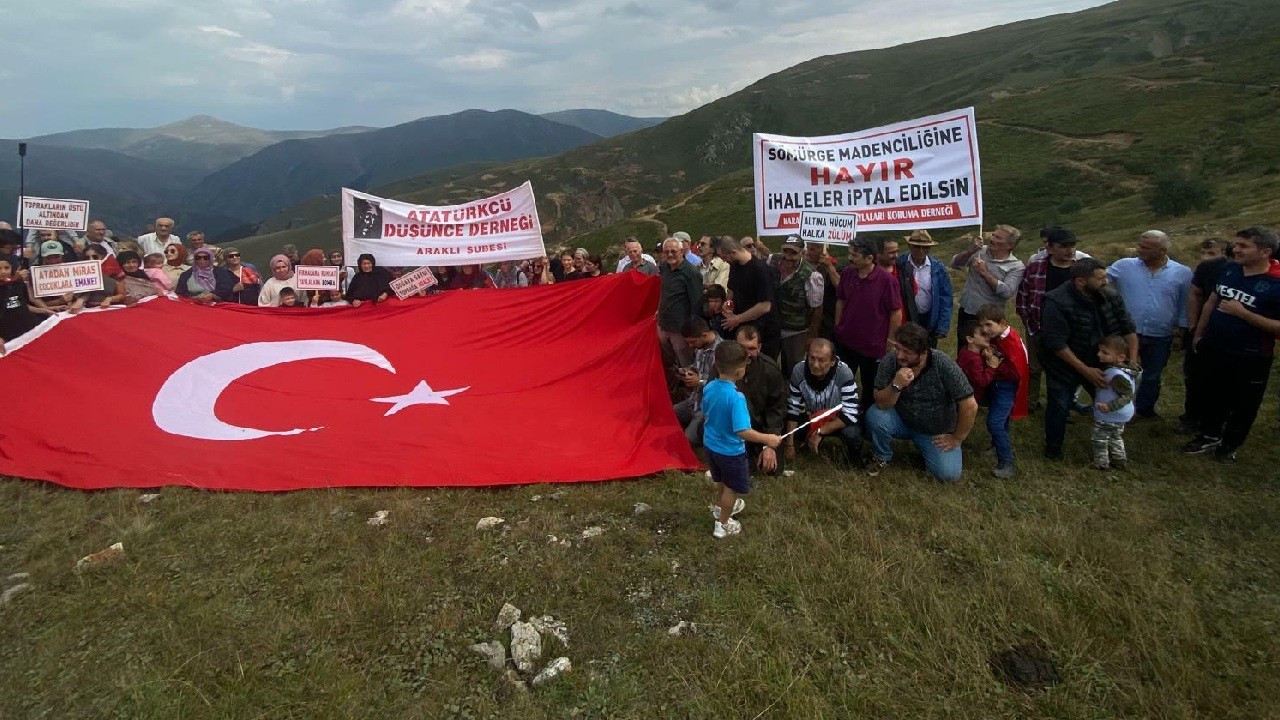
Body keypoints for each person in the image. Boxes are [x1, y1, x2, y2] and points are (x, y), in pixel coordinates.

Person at [1184, 227, 1280, 462]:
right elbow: (1212, 300)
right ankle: (1209, 434)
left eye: (1244, 246)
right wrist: (1199, 333)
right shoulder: (1229, 270)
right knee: (1212, 394)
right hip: (1215, 346)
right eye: (1236, 244)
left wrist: (1243, 313)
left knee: (1244, 403)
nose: (1235, 249)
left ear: (1265, 251)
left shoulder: (1276, 283)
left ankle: (1230, 445)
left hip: (1252, 354)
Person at [1039, 258, 1138, 461]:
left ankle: (1112, 443)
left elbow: (1128, 328)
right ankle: (1053, 450)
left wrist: (1131, 364)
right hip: (1064, 365)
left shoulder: (1110, 296)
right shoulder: (1056, 301)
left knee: (1114, 401)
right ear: (1081, 281)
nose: (1106, 282)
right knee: (1059, 405)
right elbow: (1057, 344)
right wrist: (1085, 370)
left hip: (1105, 363)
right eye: (1101, 278)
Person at [865, 323, 977, 481]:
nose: (899, 356)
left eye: (907, 352)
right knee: (875, 415)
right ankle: (882, 456)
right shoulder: (890, 361)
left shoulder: (943, 364)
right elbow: (881, 403)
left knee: (948, 475)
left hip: (935, 431)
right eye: (898, 348)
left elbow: (969, 405)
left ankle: (929, 450)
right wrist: (896, 385)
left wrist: (957, 437)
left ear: (924, 353)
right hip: (902, 420)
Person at [1105, 230, 1191, 419]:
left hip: (1160, 334)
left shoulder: (1182, 273)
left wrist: (1180, 334)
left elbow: (1185, 304)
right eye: (1139, 245)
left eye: (1145, 247)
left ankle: (1144, 410)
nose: (1139, 250)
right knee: (1120, 371)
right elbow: (1099, 281)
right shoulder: (1123, 266)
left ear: (1162, 250)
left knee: (1152, 376)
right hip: (1126, 334)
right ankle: (1116, 407)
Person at [701, 340, 783, 539]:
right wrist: (768, 439)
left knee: (720, 481)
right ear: (740, 370)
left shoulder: (709, 387)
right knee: (732, 488)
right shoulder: (736, 398)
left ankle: (719, 509)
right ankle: (722, 524)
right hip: (730, 451)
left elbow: (706, 412)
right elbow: (743, 431)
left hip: (711, 446)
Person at [1015, 227, 1081, 411]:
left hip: (1069, 329)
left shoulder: (1079, 270)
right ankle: (1030, 402)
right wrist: (1028, 319)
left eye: (1072, 245)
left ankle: (1062, 405)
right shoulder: (1035, 267)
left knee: (1064, 368)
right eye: (1064, 246)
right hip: (1037, 326)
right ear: (1050, 248)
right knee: (1034, 367)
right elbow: (1023, 294)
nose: (1070, 250)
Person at [834, 239, 903, 410]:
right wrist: (838, 327)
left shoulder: (887, 281)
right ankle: (841, 410)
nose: (850, 258)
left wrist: (891, 341)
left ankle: (866, 415)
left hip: (873, 345)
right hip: (846, 340)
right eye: (850, 254)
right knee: (841, 379)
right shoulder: (848, 274)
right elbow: (840, 301)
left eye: (854, 255)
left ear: (869, 258)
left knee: (870, 383)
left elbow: (896, 312)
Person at [783, 338, 863, 466]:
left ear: (832, 361)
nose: (815, 364)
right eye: (812, 358)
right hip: (813, 417)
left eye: (822, 360)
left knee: (852, 434)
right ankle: (803, 444)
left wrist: (820, 432)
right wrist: (789, 444)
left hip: (839, 419)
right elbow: (793, 409)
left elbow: (851, 412)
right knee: (786, 424)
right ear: (806, 356)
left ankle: (853, 461)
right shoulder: (798, 371)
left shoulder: (844, 372)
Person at [1181, 239, 1233, 432]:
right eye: (1204, 253)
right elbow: (1195, 294)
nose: (1206, 258)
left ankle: (1220, 419)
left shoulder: (1239, 270)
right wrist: (1193, 327)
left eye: (1212, 253)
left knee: (1222, 379)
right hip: (1200, 329)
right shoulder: (1206, 269)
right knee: (1194, 375)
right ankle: (1192, 416)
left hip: (1229, 331)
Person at [974, 303, 1030, 478]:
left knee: (995, 423)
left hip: (1007, 387)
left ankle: (1007, 462)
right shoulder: (1000, 336)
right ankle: (996, 445)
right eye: (982, 325)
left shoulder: (1011, 343)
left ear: (1002, 323)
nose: (984, 329)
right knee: (1001, 420)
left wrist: (994, 362)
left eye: (988, 325)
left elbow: (1016, 371)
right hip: (998, 385)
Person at [950, 225, 1025, 338]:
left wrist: (984, 273)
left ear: (1010, 245)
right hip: (967, 313)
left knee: (988, 352)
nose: (992, 239)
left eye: (998, 238)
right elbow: (955, 263)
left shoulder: (1016, 266)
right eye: (993, 235)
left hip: (991, 320)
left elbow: (1006, 292)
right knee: (965, 351)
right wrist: (971, 251)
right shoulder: (980, 251)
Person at [734, 325, 788, 477]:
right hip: (734, 431)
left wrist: (769, 445)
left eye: (751, 348)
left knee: (771, 470)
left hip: (762, 430)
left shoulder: (770, 369)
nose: (747, 354)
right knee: (740, 470)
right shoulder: (722, 367)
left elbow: (777, 409)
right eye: (742, 348)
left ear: (759, 347)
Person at [718, 236, 781, 360]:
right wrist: (728, 304)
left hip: (763, 329)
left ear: (734, 252)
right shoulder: (735, 266)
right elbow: (732, 290)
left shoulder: (760, 269)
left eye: (725, 257)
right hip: (743, 327)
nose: (725, 261)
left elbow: (765, 306)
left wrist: (737, 319)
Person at [1091, 335, 1141, 471]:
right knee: (1115, 436)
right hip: (1120, 415)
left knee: (1099, 438)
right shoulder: (1123, 372)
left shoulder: (1117, 375)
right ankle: (1119, 459)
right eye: (1100, 351)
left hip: (1110, 413)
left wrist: (1109, 406)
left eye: (1105, 353)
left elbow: (1127, 396)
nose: (1099, 354)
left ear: (1120, 357)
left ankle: (1101, 463)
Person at [775, 236, 824, 374]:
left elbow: (817, 308)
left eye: (793, 253)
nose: (788, 257)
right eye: (785, 251)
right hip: (774, 326)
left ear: (802, 253)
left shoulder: (812, 276)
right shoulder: (773, 262)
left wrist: (812, 336)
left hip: (797, 331)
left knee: (796, 368)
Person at [895, 230, 952, 347]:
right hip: (907, 318)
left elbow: (945, 297)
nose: (920, 251)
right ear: (909, 246)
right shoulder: (900, 263)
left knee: (928, 352)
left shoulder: (937, 267)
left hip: (929, 318)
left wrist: (942, 326)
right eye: (916, 247)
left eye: (925, 247)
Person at [674, 316, 723, 443]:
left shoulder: (722, 351)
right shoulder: (701, 348)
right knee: (669, 414)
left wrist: (699, 381)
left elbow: (724, 384)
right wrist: (685, 371)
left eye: (693, 342)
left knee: (688, 439)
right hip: (694, 400)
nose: (691, 346)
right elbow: (697, 368)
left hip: (708, 407)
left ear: (705, 335)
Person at [657, 237, 704, 368]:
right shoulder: (664, 267)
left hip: (680, 328)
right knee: (667, 360)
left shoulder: (691, 273)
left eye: (673, 251)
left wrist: (691, 329)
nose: (670, 254)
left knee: (685, 361)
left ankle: (689, 387)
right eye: (666, 252)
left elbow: (697, 303)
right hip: (663, 323)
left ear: (682, 251)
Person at [0, 256, 51, 352]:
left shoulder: (18, 283)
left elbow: (22, 305)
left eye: (6, 268)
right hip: (8, 333)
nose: (3, 271)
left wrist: (44, 310)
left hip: (27, 327)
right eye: (0, 268)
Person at [29, 241, 87, 314]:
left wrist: (77, 300)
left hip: (73, 309)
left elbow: (86, 291)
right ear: (42, 257)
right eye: (48, 257)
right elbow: (35, 301)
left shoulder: (72, 269)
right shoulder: (34, 273)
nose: (53, 261)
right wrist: (58, 302)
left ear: (62, 256)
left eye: (57, 257)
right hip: (49, 313)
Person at [804, 239, 842, 340]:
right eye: (807, 248)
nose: (807, 252)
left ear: (822, 250)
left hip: (826, 322)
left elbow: (841, 288)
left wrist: (829, 266)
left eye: (812, 249)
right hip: (804, 321)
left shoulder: (834, 268)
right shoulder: (803, 267)